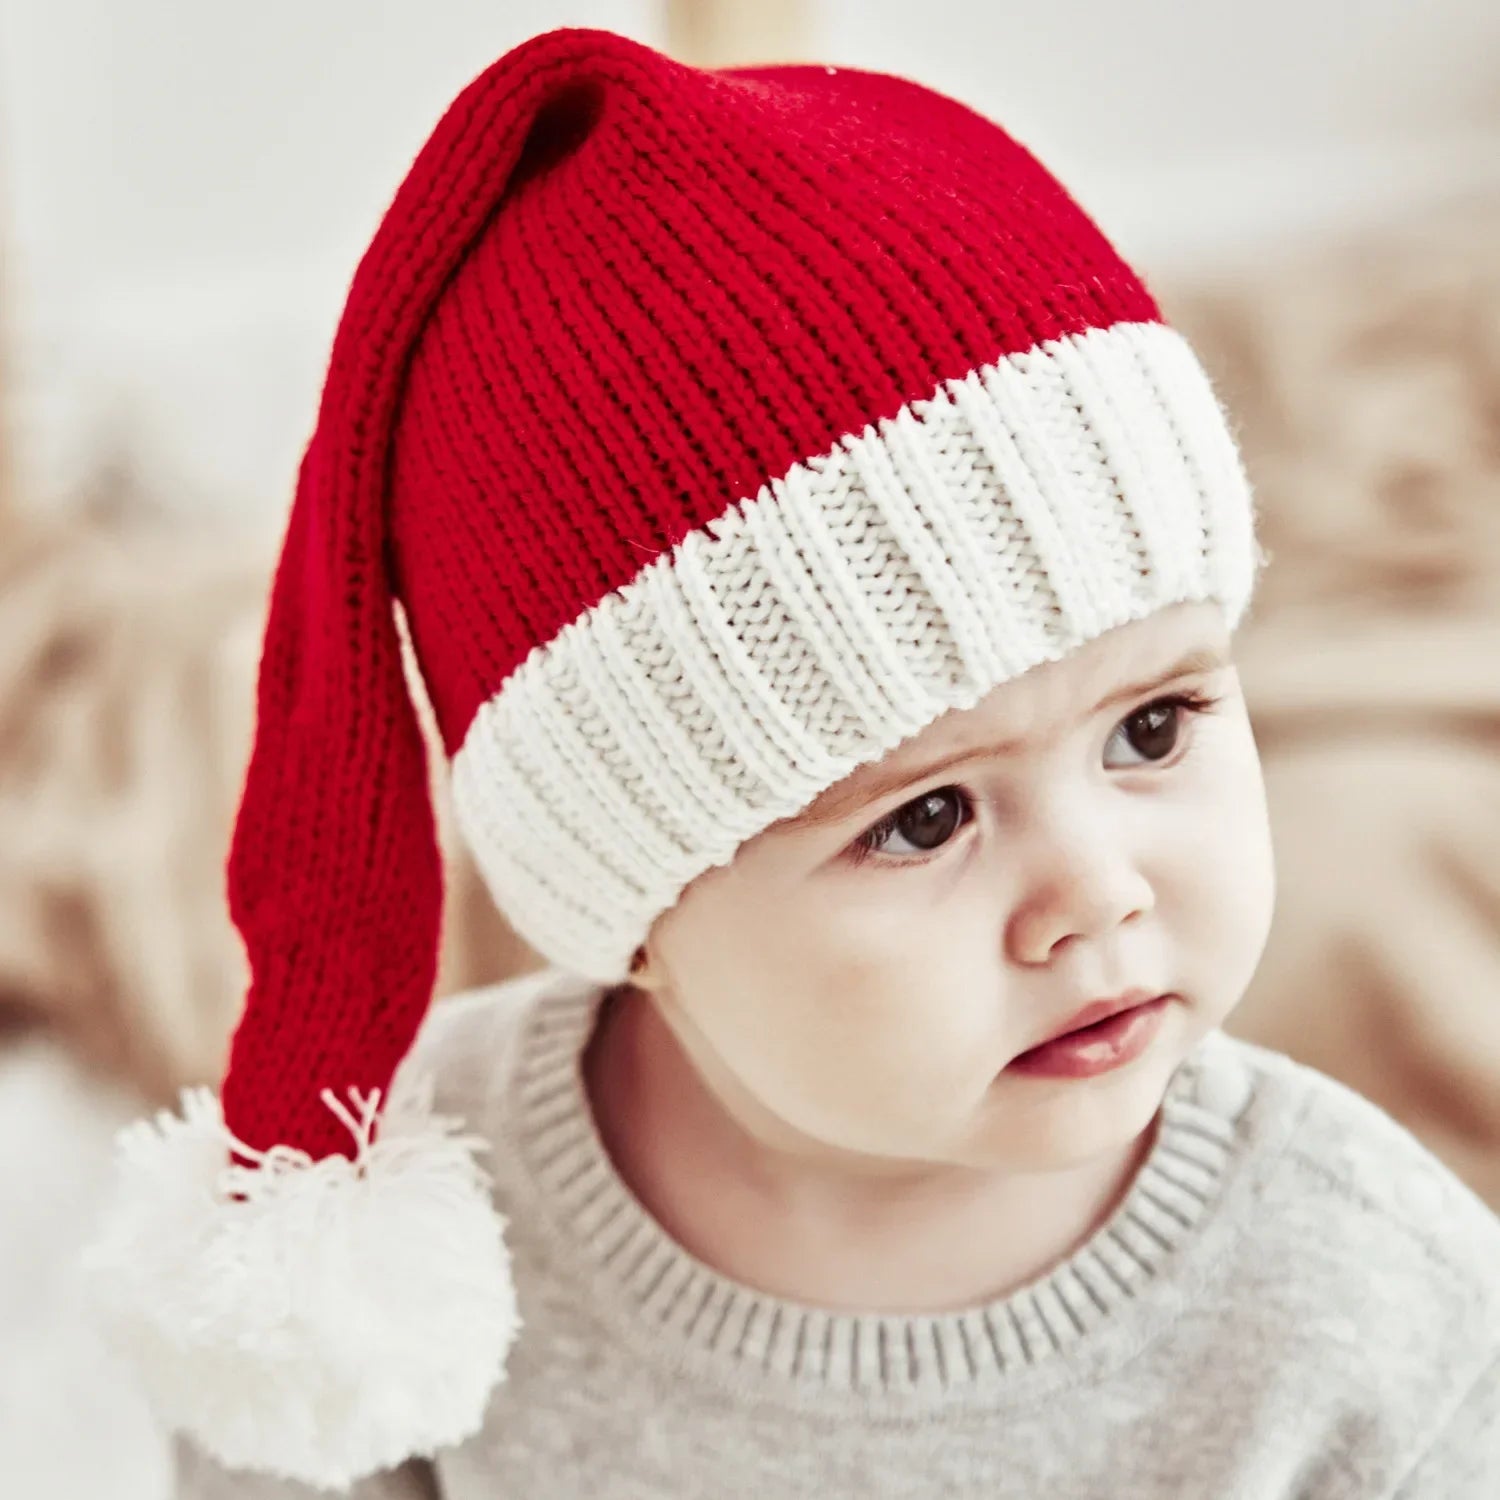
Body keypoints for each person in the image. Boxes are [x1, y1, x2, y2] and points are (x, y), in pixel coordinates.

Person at [83, 24, 1499, 1499]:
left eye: (1151, 729)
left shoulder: (1365, 1290)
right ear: (635, 910)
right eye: (927, 819)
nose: (1095, 895)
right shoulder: (397, 1269)